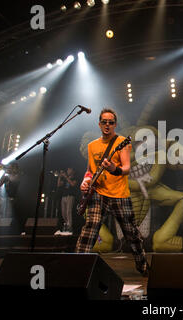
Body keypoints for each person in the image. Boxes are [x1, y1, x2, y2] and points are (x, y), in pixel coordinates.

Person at [76, 108, 149, 276]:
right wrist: (85, 180)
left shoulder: (122, 142)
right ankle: (78, 267)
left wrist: (112, 168)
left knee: (131, 234)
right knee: (89, 229)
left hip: (119, 195)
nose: (107, 125)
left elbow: (126, 169)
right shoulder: (92, 145)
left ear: (115, 124)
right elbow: (89, 170)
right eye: (104, 122)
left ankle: (143, 266)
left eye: (110, 122)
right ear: (99, 124)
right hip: (97, 194)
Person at [57, 167, 77, 232]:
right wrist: (60, 177)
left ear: (72, 171)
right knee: (63, 213)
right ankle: (66, 225)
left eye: (69, 169)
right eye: (67, 169)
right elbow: (59, 185)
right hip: (64, 196)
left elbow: (73, 184)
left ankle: (69, 227)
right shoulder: (65, 178)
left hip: (70, 196)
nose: (67, 170)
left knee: (68, 212)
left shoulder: (74, 178)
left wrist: (66, 177)